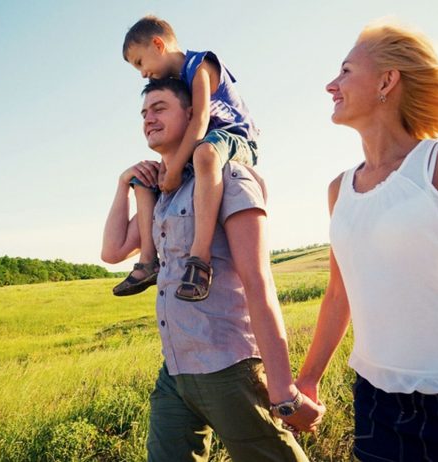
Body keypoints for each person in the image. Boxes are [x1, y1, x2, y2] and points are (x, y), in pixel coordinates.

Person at [102, 78, 324, 461]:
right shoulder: (163, 195)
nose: (148, 119)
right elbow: (112, 250)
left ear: (192, 116)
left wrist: (284, 391)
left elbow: (258, 282)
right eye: (143, 113)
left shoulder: (229, 178)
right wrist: (124, 183)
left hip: (227, 367)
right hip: (175, 370)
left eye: (159, 108)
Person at [296, 21, 438, 461]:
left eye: (344, 72)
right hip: (375, 401)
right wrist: (308, 378)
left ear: (386, 80)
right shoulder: (339, 189)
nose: (330, 85)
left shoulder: (433, 165)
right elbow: (339, 294)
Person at [113, 15, 258, 301]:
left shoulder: (198, 65)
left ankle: (199, 259)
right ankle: (147, 262)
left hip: (235, 140)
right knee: (147, 178)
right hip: (205, 148)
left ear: (158, 44)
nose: (142, 74)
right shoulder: (176, 81)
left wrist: (176, 168)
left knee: (204, 152)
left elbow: (200, 120)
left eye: (140, 63)